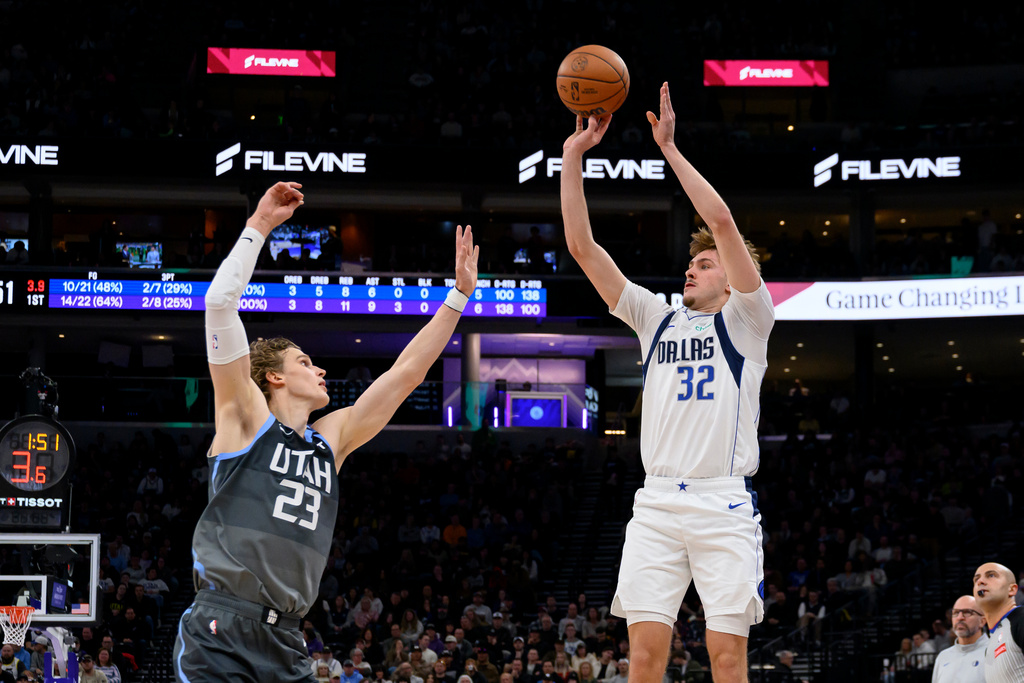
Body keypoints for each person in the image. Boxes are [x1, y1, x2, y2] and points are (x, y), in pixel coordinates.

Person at [173, 181, 480, 683]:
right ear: (273, 376)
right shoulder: (244, 416)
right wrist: (261, 226)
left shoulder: (329, 440)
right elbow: (219, 304)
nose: (320, 371)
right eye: (305, 361)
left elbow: (405, 375)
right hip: (220, 627)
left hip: (287, 637)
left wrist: (459, 296)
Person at [561, 82, 773, 683]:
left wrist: (670, 149)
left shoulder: (748, 320)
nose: (692, 266)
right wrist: (573, 159)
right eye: (691, 261)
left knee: (727, 659)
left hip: (722, 502)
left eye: (705, 264)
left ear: (730, 280)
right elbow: (582, 247)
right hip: (655, 502)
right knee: (644, 659)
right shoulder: (655, 317)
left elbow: (722, 220)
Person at [974, 562, 1024, 679]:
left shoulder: (1021, 619)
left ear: (1012, 589)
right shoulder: (991, 643)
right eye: (976, 579)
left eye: (991, 575)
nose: (980, 581)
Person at [931, 595, 985, 683]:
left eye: (967, 612)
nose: (959, 618)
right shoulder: (943, 657)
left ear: (982, 621)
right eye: (955, 613)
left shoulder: (994, 652)